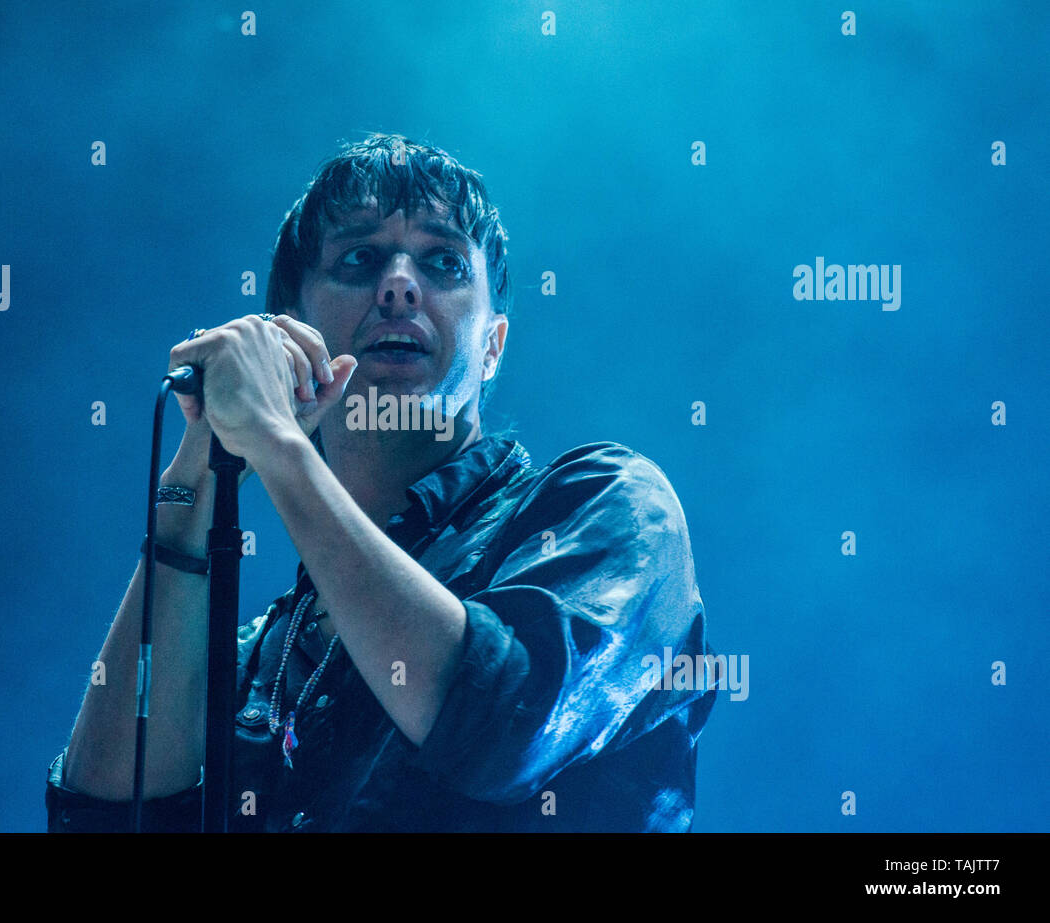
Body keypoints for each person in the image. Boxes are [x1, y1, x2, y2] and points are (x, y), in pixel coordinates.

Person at [46, 133, 716, 832]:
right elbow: (100, 817)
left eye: (443, 262)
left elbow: (503, 725)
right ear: (292, 329)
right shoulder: (261, 656)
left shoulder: (608, 506)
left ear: (493, 345)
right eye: (360, 259)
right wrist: (198, 472)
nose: (399, 285)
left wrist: (277, 442)